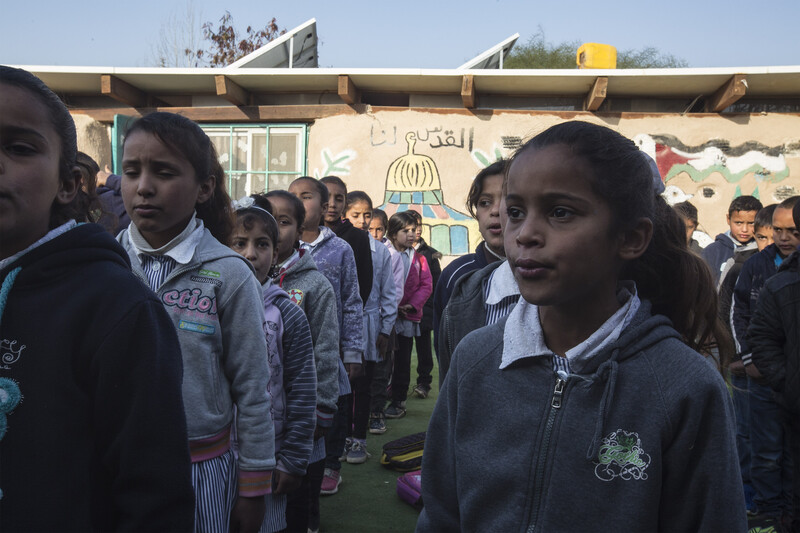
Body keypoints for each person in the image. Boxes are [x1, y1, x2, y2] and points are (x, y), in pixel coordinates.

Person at [417, 121, 745, 532]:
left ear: (631, 238)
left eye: (560, 212)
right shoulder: (476, 358)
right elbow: (441, 512)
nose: (526, 234)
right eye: (515, 211)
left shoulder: (684, 386)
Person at [0, 66, 194, 531]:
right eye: (131, 171)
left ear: (69, 184)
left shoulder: (117, 308)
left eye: (19, 147)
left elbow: (154, 496)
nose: (144, 187)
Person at [117, 111, 275, 532]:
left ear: (204, 186)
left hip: (201, 469)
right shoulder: (104, 266)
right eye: (131, 171)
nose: (144, 187)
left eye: (164, 172)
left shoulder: (229, 273)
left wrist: (254, 485)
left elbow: (253, 388)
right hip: (115, 466)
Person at [230, 195, 317, 533]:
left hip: (271, 457)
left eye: (261, 244)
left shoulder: (288, 314)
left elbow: (302, 390)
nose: (251, 254)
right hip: (218, 459)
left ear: (276, 251)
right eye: (239, 243)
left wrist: (294, 459)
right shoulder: (210, 307)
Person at [263, 190, 340, 533]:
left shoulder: (314, 283)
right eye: (268, 220)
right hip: (261, 414)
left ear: (300, 229)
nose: (275, 230)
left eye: (284, 222)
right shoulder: (241, 278)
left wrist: (323, 406)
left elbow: (325, 348)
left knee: (298, 494)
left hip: (302, 411)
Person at [288, 176, 362, 521]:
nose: (299, 203)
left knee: (327, 413)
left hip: (326, 348)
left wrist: (352, 350)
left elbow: (351, 301)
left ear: (323, 206)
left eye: (306, 197)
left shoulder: (340, 249)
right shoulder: (276, 247)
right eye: (293, 198)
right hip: (285, 355)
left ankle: (330, 467)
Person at [734, 196, 800, 528]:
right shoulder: (755, 266)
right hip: (764, 377)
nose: (784, 237)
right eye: (778, 230)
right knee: (765, 449)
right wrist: (753, 361)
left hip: (790, 376)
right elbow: (742, 316)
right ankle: (768, 507)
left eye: (793, 231)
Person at [717, 203, 776, 516]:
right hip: (744, 368)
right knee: (746, 435)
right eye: (764, 237)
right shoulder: (743, 266)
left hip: (778, 370)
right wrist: (739, 357)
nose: (772, 242)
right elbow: (728, 313)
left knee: (774, 437)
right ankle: (749, 500)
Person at [432, 160, 507, 359]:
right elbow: (446, 351)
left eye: (508, 200)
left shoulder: (544, 274)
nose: (495, 210)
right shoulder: (456, 276)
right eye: (484, 203)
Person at [342, 191, 397, 458]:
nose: (363, 221)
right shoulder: (338, 246)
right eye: (356, 215)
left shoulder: (380, 252)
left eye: (367, 215)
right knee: (341, 387)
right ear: (344, 215)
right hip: (341, 324)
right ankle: (339, 438)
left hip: (370, 323)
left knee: (363, 385)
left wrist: (385, 329)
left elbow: (388, 292)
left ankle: (358, 439)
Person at [385, 211, 433, 419]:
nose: (412, 234)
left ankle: (399, 401)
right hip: (385, 316)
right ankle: (377, 400)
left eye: (414, 230)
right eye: (406, 231)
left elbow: (426, 285)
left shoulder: (419, 259)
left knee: (403, 360)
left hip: (406, 318)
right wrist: (390, 307)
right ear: (394, 234)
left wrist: (412, 306)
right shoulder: (383, 253)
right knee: (383, 360)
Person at [368, 208, 405, 434]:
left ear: (385, 230)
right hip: (362, 320)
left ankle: (377, 413)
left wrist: (383, 322)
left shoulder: (391, 255)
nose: (374, 233)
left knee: (381, 371)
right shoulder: (354, 249)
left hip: (383, 321)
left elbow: (394, 292)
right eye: (370, 228)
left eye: (378, 229)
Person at [320, 175, 373, 305]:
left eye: (338, 199)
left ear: (345, 205)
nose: (332, 204)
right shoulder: (306, 234)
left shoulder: (358, 237)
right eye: (327, 198)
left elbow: (364, 282)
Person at [407, 209, 441, 399]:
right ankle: (395, 386)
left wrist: (428, 308)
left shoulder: (430, 254)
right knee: (399, 352)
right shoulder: (395, 250)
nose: (416, 230)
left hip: (424, 310)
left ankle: (424, 383)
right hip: (401, 312)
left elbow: (436, 282)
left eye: (418, 226)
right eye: (412, 226)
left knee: (423, 348)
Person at [702, 195, 763, 282]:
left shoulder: (763, 250)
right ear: (728, 219)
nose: (744, 229)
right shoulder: (713, 251)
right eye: (738, 223)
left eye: (751, 223)